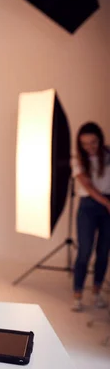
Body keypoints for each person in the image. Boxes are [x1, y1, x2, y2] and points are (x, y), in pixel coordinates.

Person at [71, 122, 110, 312]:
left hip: (107, 205)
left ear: (100, 140)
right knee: (84, 251)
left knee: (103, 252)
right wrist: (107, 203)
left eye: (93, 143)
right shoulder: (77, 160)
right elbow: (88, 186)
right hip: (89, 205)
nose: (89, 147)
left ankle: (96, 292)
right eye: (84, 144)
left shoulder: (109, 155)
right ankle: (77, 294)